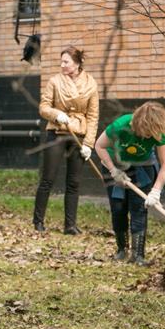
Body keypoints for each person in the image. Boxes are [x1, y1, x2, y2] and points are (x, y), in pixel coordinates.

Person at [94, 102, 165, 266]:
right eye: (146, 132)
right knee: (118, 207)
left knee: (139, 208)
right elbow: (99, 146)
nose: (147, 137)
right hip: (115, 163)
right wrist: (113, 171)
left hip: (143, 167)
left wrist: (156, 191)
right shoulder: (121, 125)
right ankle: (121, 249)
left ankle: (138, 255)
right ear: (138, 124)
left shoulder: (159, 130)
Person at [32, 46, 99, 234]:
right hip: (57, 133)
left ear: (77, 63)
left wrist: (88, 144)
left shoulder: (91, 84)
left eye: (66, 62)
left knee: (74, 182)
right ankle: (38, 222)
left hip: (78, 135)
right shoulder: (54, 81)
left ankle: (70, 225)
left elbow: (93, 116)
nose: (62, 65)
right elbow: (43, 107)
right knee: (48, 179)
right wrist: (56, 114)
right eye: (61, 61)